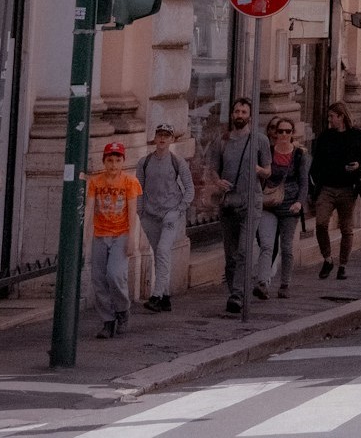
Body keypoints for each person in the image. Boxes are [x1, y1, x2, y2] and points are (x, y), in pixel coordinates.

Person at [207, 98, 268, 315]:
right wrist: (217, 182)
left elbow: (268, 171)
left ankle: (237, 295)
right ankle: (236, 288)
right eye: (236, 111)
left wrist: (259, 170)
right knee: (230, 254)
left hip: (251, 201)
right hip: (228, 202)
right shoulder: (221, 141)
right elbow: (213, 169)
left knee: (244, 250)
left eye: (243, 111)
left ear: (250, 116)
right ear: (232, 114)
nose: (240, 115)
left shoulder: (260, 140)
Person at [310, 103, 361, 283]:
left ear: (341, 116)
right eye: (329, 117)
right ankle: (328, 259)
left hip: (348, 188)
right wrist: (314, 185)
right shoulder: (325, 137)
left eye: (332, 116)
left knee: (346, 228)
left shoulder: (357, 136)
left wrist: (358, 165)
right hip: (327, 187)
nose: (329, 120)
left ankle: (343, 265)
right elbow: (316, 162)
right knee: (321, 223)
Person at [136, 125, 193, 313]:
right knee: (159, 254)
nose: (162, 139)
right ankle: (166, 297)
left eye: (166, 136)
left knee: (162, 251)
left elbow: (189, 189)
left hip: (170, 213)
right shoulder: (144, 162)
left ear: (171, 140)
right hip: (150, 214)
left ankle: (156, 295)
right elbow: (139, 189)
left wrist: (179, 210)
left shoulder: (178, 162)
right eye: (159, 135)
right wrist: (140, 212)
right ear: (154, 138)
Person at [88, 142, 141, 338]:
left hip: (121, 234)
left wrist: (131, 239)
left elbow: (132, 211)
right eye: (110, 160)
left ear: (123, 162)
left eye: (117, 160)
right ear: (104, 161)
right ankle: (107, 321)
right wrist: (86, 238)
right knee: (99, 279)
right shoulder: (95, 182)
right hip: (100, 234)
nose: (113, 165)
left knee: (115, 274)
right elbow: (89, 209)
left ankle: (122, 310)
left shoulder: (130, 182)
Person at [254, 117, 309, 300]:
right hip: (268, 205)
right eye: (280, 131)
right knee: (267, 245)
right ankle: (262, 283)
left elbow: (304, 183)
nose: (284, 134)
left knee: (286, 247)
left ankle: (285, 284)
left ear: (293, 134)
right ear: (275, 134)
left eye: (288, 131)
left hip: (289, 207)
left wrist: (299, 203)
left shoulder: (300, 155)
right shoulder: (267, 153)